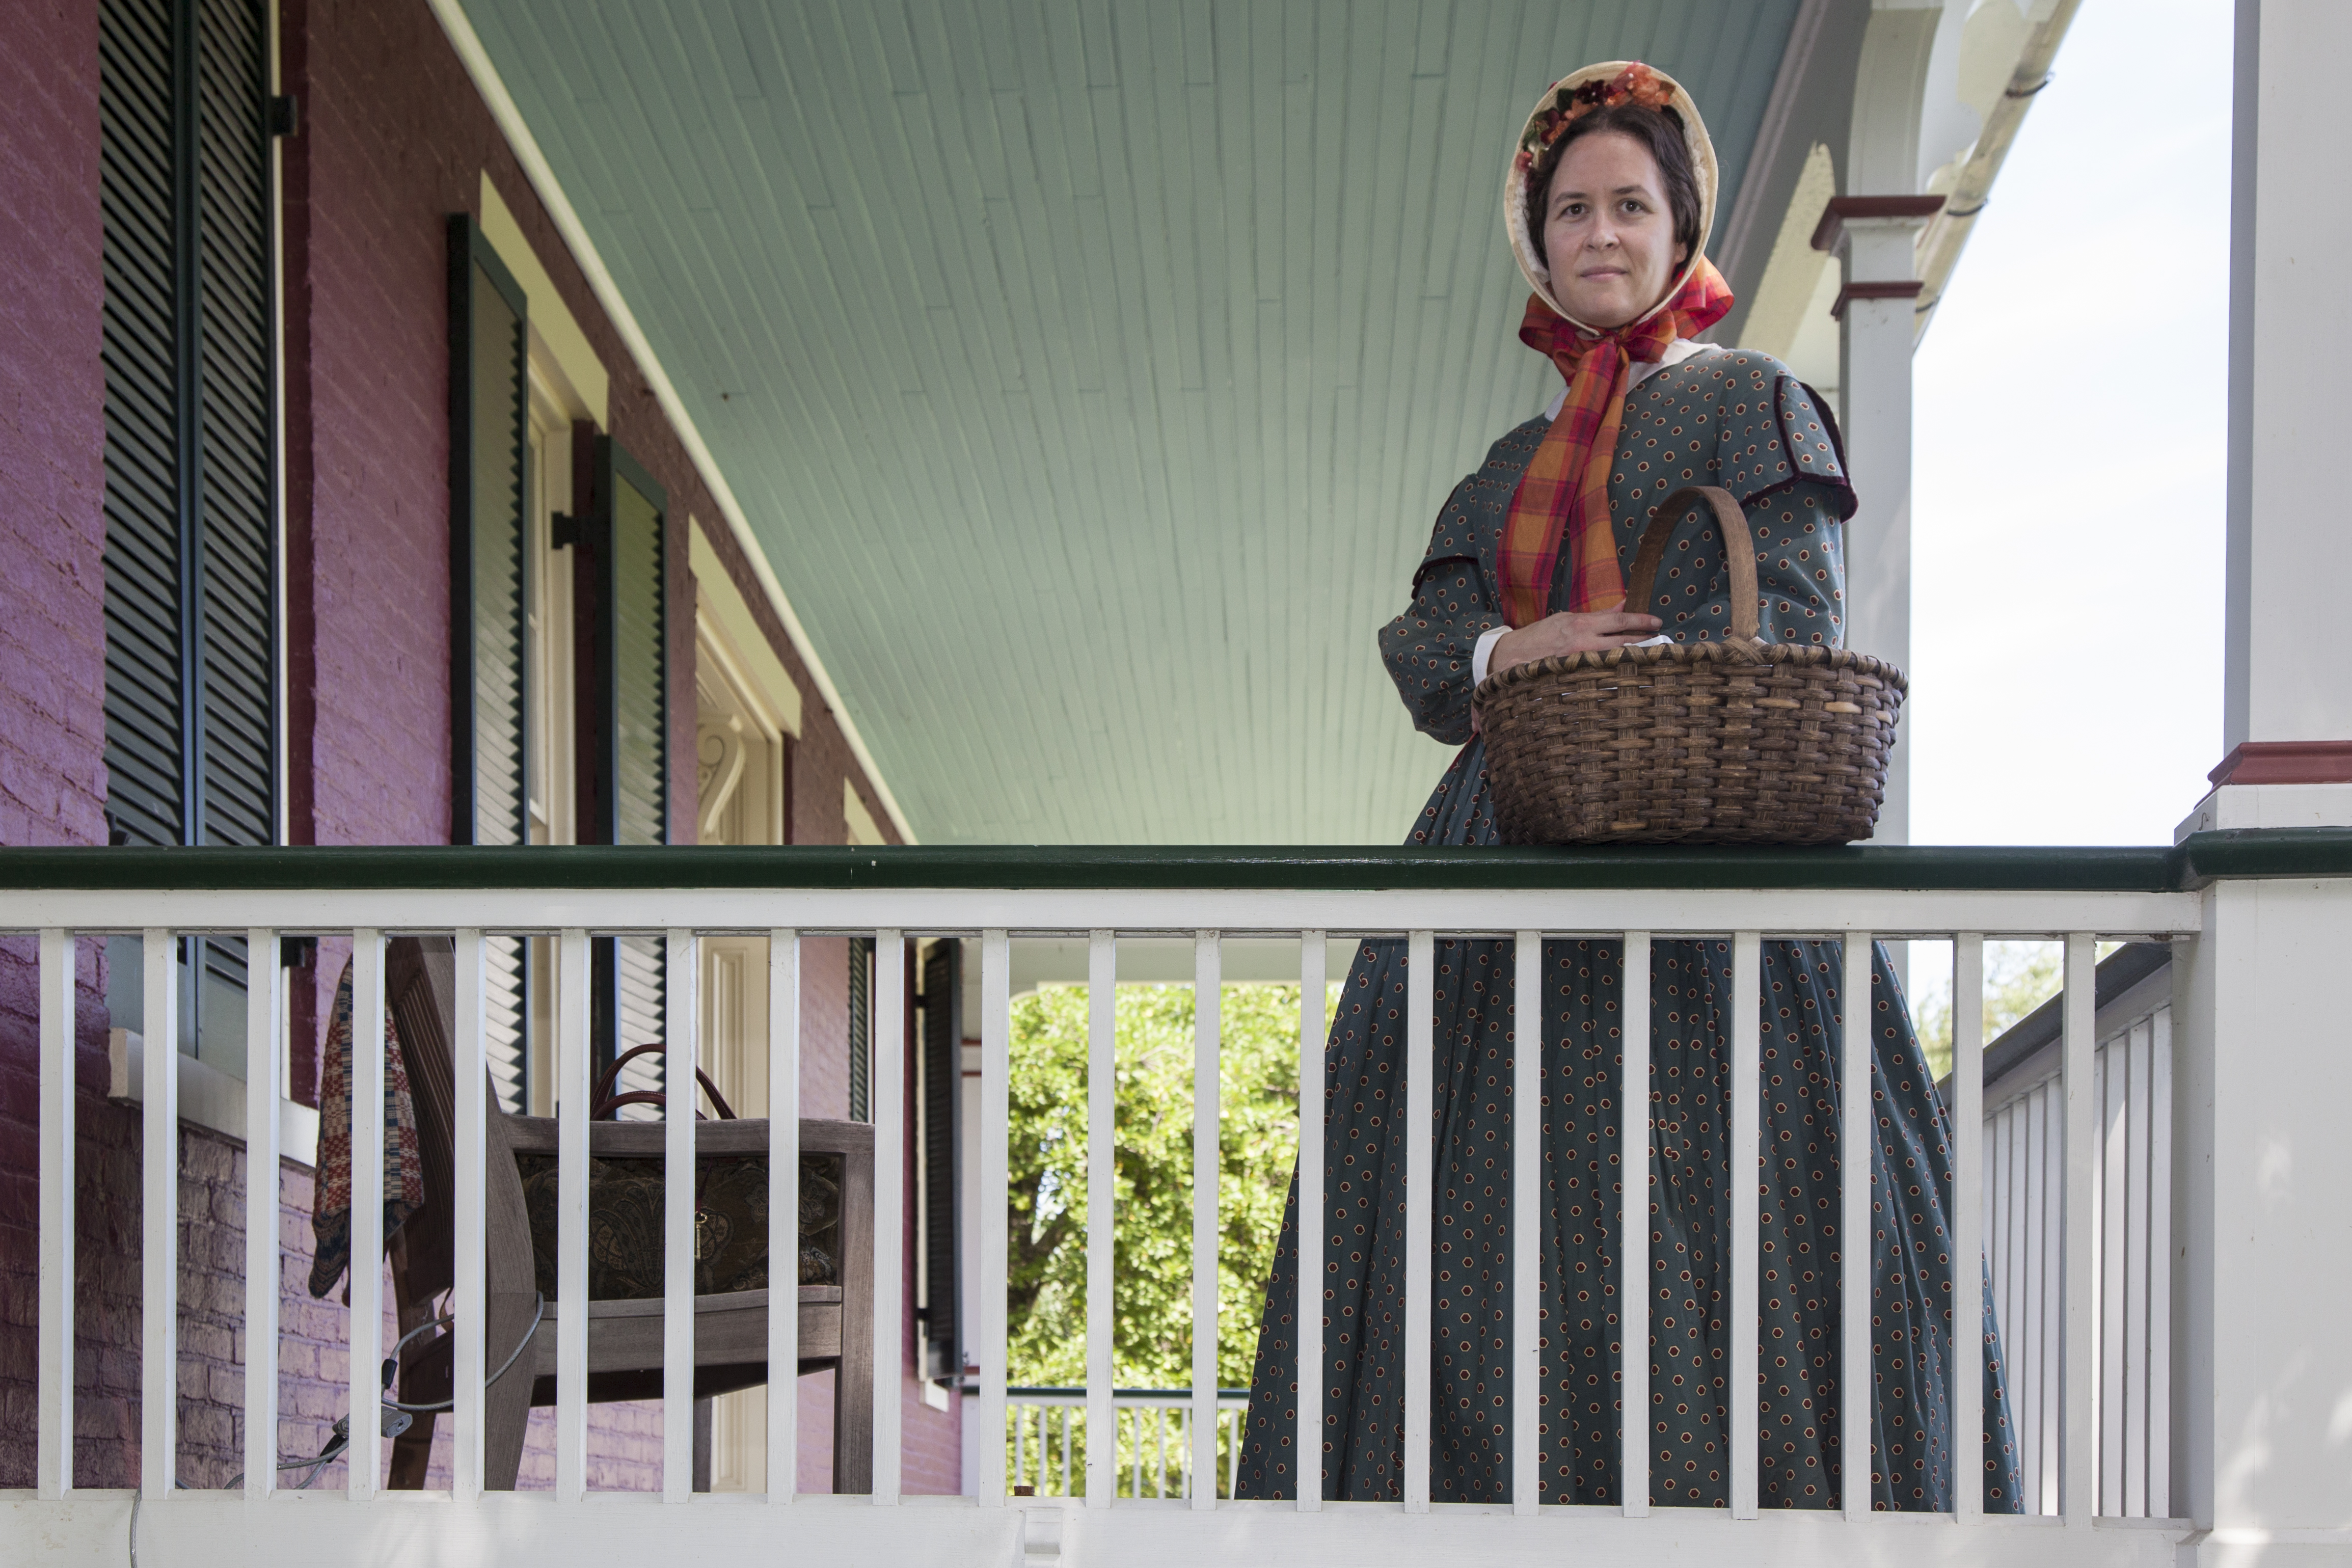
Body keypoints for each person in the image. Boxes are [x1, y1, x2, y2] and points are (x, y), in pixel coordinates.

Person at [1233, 61, 2022, 1512]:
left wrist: (1656, 678)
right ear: (1536, 239)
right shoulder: (1502, 467)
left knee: (1728, 1188)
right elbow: (1422, 649)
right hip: (1503, 838)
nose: (1602, 234)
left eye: (1632, 207)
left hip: (1708, 835)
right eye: (1573, 209)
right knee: (1481, 1199)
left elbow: (1790, 603)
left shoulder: (1752, 400)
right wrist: (1509, 649)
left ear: (1682, 228)